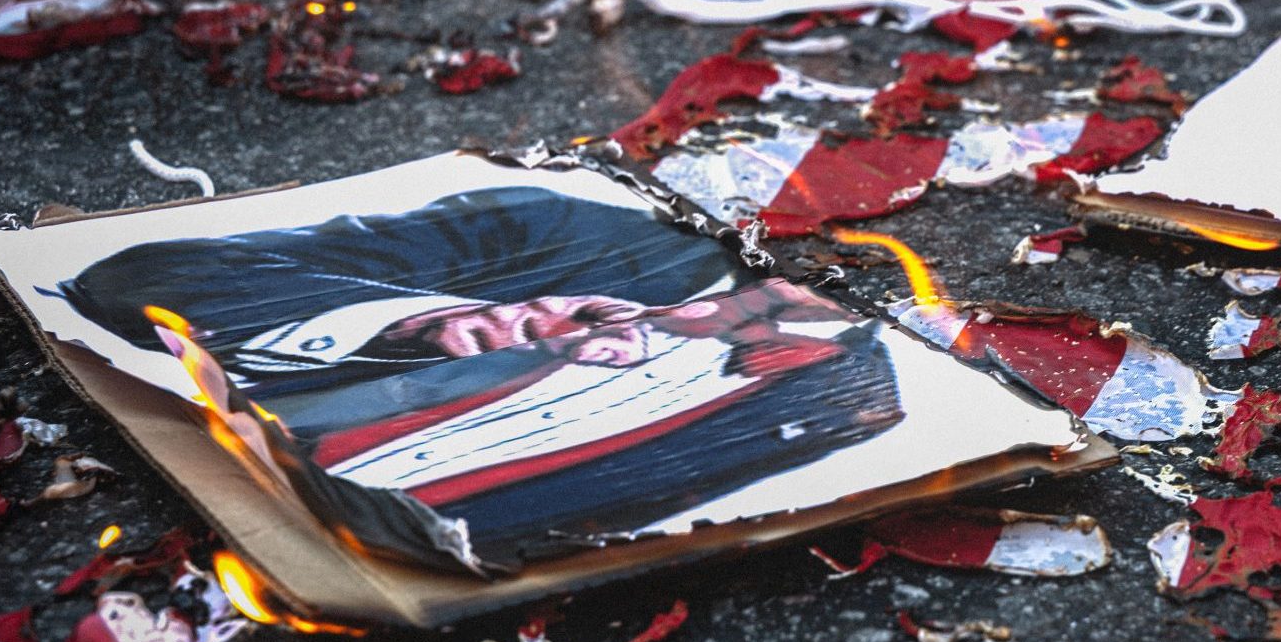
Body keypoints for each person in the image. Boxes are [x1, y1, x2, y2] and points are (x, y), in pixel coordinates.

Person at [60, 186, 904, 553]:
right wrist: (425, 322)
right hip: (221, 458)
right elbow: (137, 278)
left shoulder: (844, 391)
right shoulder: (586, 237)